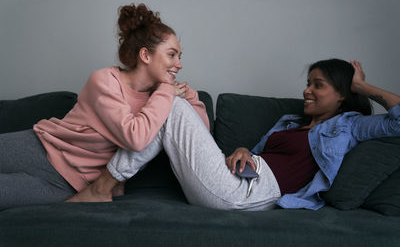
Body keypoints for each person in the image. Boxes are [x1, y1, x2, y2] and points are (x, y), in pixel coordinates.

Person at [67, 58, 400, 210]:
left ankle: (104, 186)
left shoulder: (351, 125)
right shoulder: (288, 121)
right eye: (308, 82)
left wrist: (362, 86)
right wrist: (242, 149)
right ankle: (109, 186)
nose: (306, 90)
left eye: (318, 85)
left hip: (249, 196)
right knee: (170, 107)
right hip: (236, 180)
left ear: (341, 94)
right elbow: (256, 153)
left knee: (172, 103)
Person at [0, 3, 209, 209]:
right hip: (38, 149)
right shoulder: (105, 81)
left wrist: (189, 96)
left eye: (180, 57)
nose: (179, 64)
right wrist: (167, 92)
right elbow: (134, 137)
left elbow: (200, 137)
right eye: (172, 55)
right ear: (145, 55)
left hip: (69, 184)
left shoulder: (160, 97)